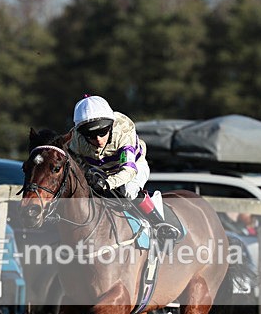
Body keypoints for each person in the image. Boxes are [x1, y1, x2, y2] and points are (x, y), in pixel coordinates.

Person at [67, 94, 180, 241]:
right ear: (82, 133)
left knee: (128, 190)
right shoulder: (75, 139)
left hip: (133, 167)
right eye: (91, 135)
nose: (98, 140)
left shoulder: (123, 131)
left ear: (110, 125)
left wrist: (107, 183)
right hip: (100, 172)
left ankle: (160, 224)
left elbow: (128, 170)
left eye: (102, 132)